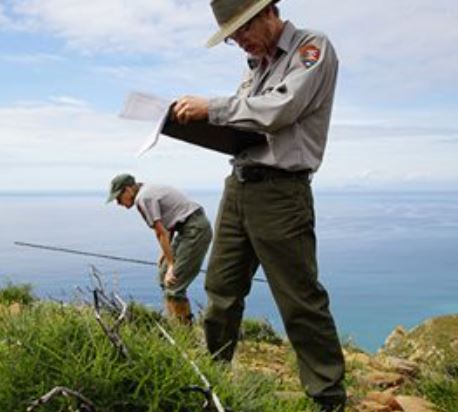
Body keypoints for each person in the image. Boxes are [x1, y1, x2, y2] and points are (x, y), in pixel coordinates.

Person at [170, 0, 346, 409]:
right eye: (232, 37)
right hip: (239, 187)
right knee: (221, 290)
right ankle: (211, 381)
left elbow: (280, 110)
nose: (238, 42)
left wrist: (210, 108)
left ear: (268, 12)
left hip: (282, 193)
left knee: (299, 299)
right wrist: (195, 125)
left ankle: (327, 399)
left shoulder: (311, 48)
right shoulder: (256, 68)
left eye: (242, 31)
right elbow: (243, 124)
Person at [106, 173, 212, 324]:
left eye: (118, 198)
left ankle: (184, 331)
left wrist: (171, 265)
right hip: (186, 228)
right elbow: (170, 221)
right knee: (163, 277)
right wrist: (165, 255)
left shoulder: (144, 199)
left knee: (174, 284)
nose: (118, 203)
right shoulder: (146, 191)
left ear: (128, 190)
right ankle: (175, 320)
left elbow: (160, 232)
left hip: (194, 230)